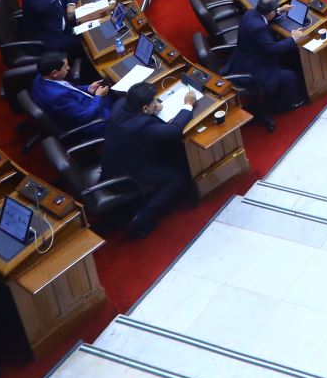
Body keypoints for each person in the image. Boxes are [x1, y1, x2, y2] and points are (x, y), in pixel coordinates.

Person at [102, 80, 200, 238]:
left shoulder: (120, 104)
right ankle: (140, 219)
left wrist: (151, 110)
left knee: (171, 151)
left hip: (112, 163)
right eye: (153, 101)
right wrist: (187, 105)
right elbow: (173, 131)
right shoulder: (141, 126)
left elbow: (141, 121)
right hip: (128, 176)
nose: (156, 103)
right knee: (177, 177)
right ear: (144, 108)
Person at [230, 0, 308, 114]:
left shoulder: (250, 13)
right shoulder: (258, 27)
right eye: (274, 11)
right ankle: (286, 105)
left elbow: (266, 18)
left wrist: (279, 10)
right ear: (270, 12)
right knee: (290, 76)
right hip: (254, 70)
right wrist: (293, 38)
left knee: (287, 54)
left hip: (244, 58)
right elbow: (273, 49)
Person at [31, 52, 110, 133]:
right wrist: (98, 96)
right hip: (90, 122)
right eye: (65, 67)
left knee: (110, 91)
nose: (68, 68)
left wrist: (88, 88)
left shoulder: (41, 77)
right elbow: (85, 116)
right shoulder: (58, 96)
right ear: (54, 73)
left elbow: (70, 89)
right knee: (119, 106)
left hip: (80, 106)